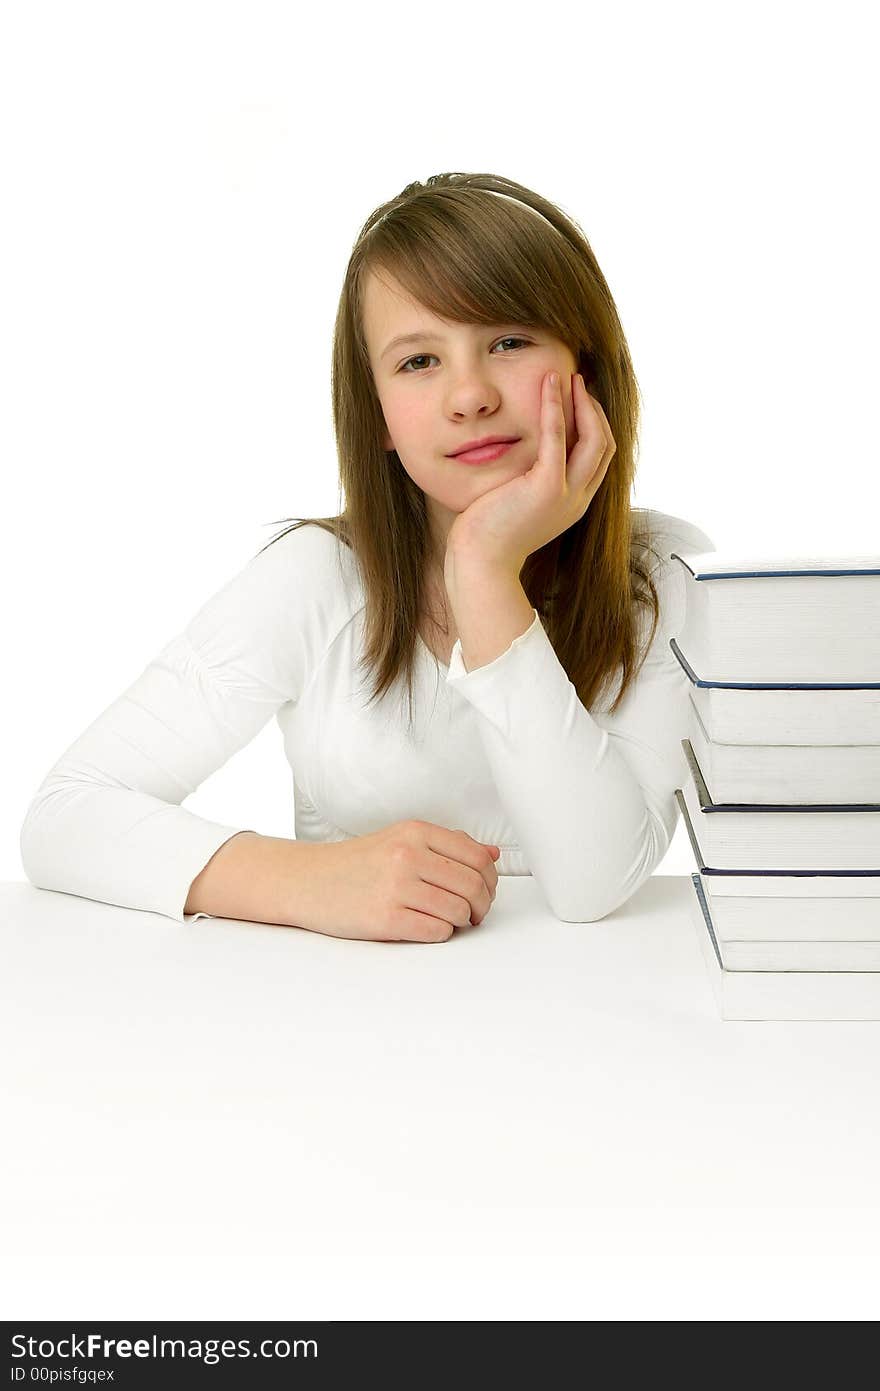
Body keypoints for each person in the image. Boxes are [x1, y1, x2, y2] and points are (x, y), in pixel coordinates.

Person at [19, 171, 714, 943]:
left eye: (509, 341)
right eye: (419, 361)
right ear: (379, 415)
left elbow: (594, 882)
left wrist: (483, 569)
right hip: (349, 1028)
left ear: (588, 365)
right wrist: (306, 879)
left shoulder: (666, 577)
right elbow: (65, 812)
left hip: (600, 1032)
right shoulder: (315, 580)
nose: (470, 394)